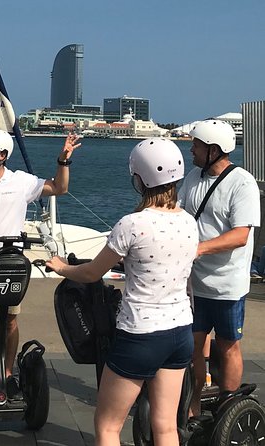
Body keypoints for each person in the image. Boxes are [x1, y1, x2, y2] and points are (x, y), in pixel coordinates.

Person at [46, 138, 196, 446]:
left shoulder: (132, 224)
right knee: (166, 426)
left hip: (141, 334)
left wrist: (61, 267)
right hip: (180, 331)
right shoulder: (188, 221)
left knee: (108, 425)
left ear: (139, 179)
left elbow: (91, 272)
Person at [0, 128, 81, 402]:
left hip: (10, 266)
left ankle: (8, 375)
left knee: (10, 320)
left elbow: (60, 188)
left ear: (2, 155)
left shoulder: (21, 182)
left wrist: (64, 160)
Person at [177, 119, 261, 417]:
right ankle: (193, 405)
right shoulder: (192, 178)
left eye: (196, 145)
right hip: (195, 283)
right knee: (194, 347)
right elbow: (179, 213)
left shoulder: (242, 183)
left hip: (227, 284)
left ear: (213, 150)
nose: (191, 150)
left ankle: (228, 407)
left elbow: (241, 235)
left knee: (227, 347)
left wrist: (198, 248)